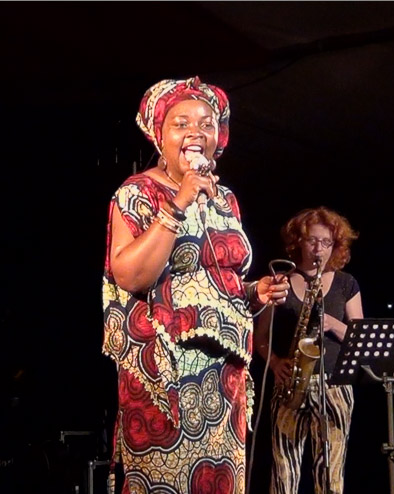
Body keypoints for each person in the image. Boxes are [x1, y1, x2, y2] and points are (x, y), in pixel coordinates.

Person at [101, 76, 290, 494]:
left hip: (223, 379)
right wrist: (179, 201)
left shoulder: (225, 198)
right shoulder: (137, 192)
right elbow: (130, 275)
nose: (196, 132)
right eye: (181, 123)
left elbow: (219, 279)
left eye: (206, 124)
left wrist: (255, 292)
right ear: (159, 134)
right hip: (166, 378)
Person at [254, 206, 363, 494]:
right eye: (312, 240)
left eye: (326, 242)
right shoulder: (281, 282)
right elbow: (260, 337)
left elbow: (359, 338)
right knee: (283, 474)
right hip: (289, 384)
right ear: (299, 241)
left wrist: (334, 324)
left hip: (334, 387)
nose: (319, 249)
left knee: (331, 475)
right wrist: (275, 363)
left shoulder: (346, 283)